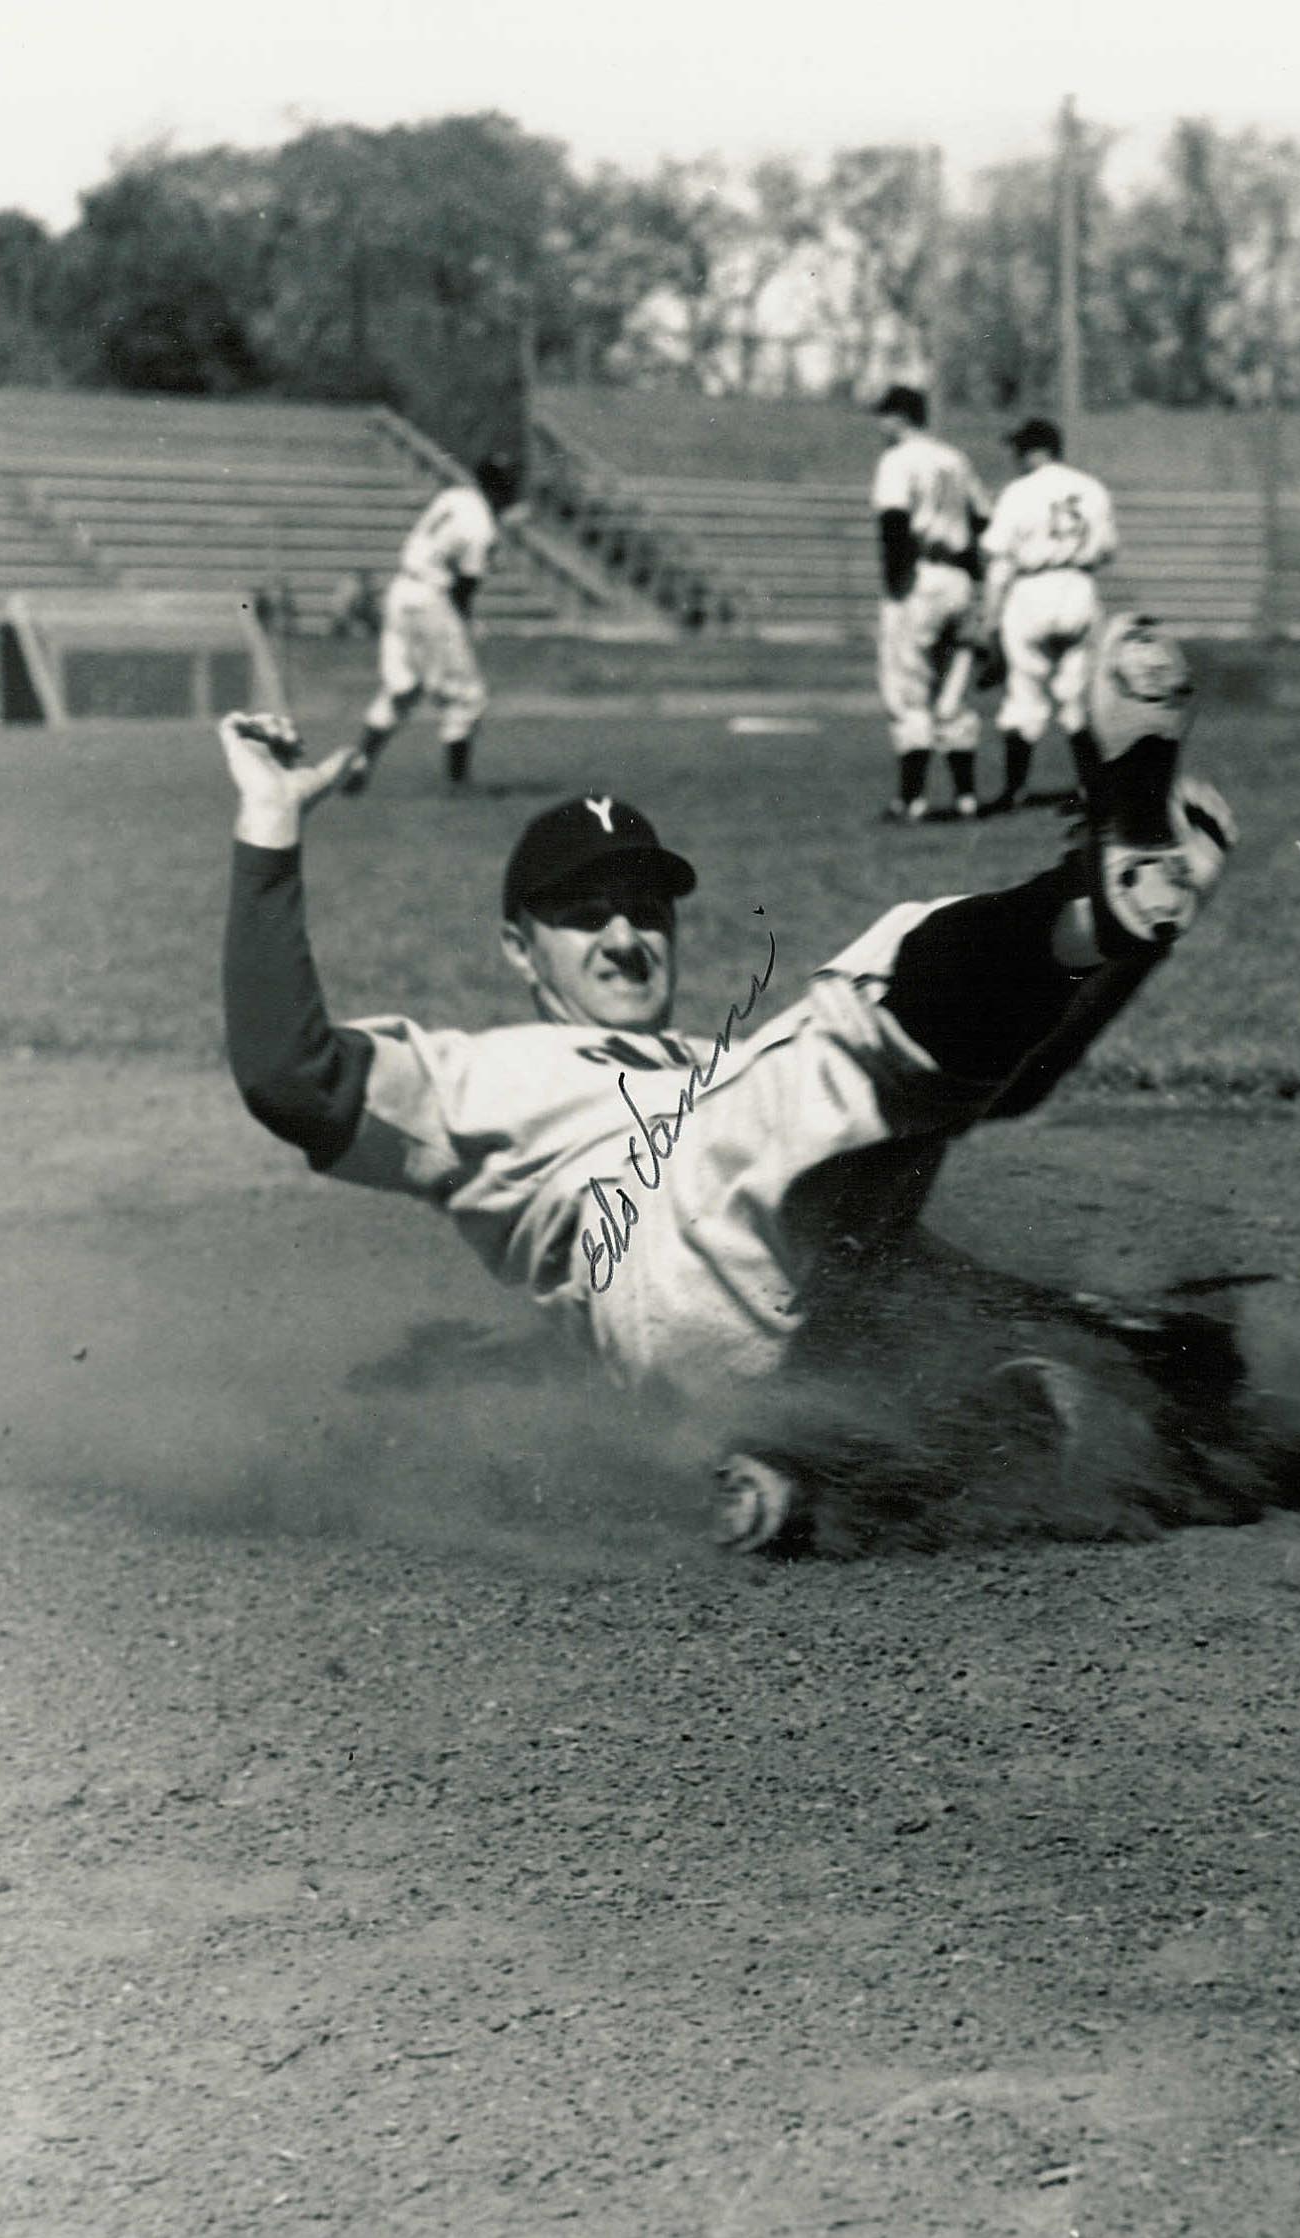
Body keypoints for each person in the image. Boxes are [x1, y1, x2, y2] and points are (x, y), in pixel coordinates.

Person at [218, 614, 1239, 1552]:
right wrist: (270, 821)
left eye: (646, 907)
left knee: (989, 1281)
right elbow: (287, 1077)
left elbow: (1005, 1085)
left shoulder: (728, 1069)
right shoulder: (482, 1074)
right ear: (517, 948)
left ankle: (811, 1483)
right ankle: (1094, 889)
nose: (624, 936)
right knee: (856, 1012)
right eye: (583, 912)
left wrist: (1068, 1311)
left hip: (777, 1331)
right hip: (663, 1264)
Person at [338, 455, 522, 796]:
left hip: (402, 591)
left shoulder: (455, 497)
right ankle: (458, 783)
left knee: (403, 689)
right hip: (432, 600)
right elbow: (464, 587)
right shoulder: (482, 526)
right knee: (468, 696)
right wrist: (465, 625)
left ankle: (359, 765)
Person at [867, 385, 995, 823]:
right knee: (953, 692)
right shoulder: (955, 459)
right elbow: (982, 519)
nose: (880, 425)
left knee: (907, 688)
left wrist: (896, 584)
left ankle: (912, 800)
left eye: (884, 416)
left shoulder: (897, 459)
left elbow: (894, 522)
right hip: (958, 575)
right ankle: (967, 798)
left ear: (900, 417)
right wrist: (976, 579)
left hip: (919, 577)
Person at [979, 418, 1119, 813]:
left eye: (1020, 450)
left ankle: (1014, 790)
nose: (1017, 458)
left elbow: (999, 555)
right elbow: (1107, 549)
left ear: (1034, 450)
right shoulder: (1091, 488)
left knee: (1024, 690)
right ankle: (1094, 789)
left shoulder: (1020, 491)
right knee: (1077, 696)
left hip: (1032, 589)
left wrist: (989, 618)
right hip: (1079, 588)